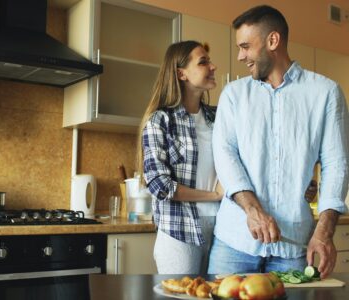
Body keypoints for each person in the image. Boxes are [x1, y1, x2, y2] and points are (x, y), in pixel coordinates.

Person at [209, 5, 349, 279]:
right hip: (234, 243)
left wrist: (324, 230)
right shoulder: (233, 95)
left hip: (294, 248)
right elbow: (225, 154)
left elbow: (336, 163)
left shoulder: (326, 93)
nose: (240, 56)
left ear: (273, 41)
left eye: (246, 46)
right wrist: (253, 210)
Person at [137, 40, 223, 274]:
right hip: (179, 231)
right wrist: (214, 195)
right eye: (203, 62)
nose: (213, 66)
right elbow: (159, 185)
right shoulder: (160, 121)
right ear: (181, 73)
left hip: (224, 229)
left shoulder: (219, 117)